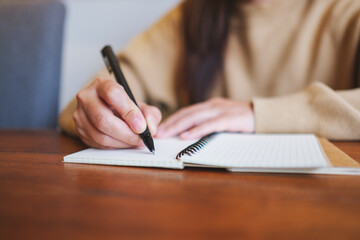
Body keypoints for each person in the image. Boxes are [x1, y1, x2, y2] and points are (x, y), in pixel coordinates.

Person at [59, 0, 360, 149]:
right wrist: (104, 112)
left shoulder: (348, 12)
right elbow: (95, 95)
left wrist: (257, 114)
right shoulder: (190, 18)